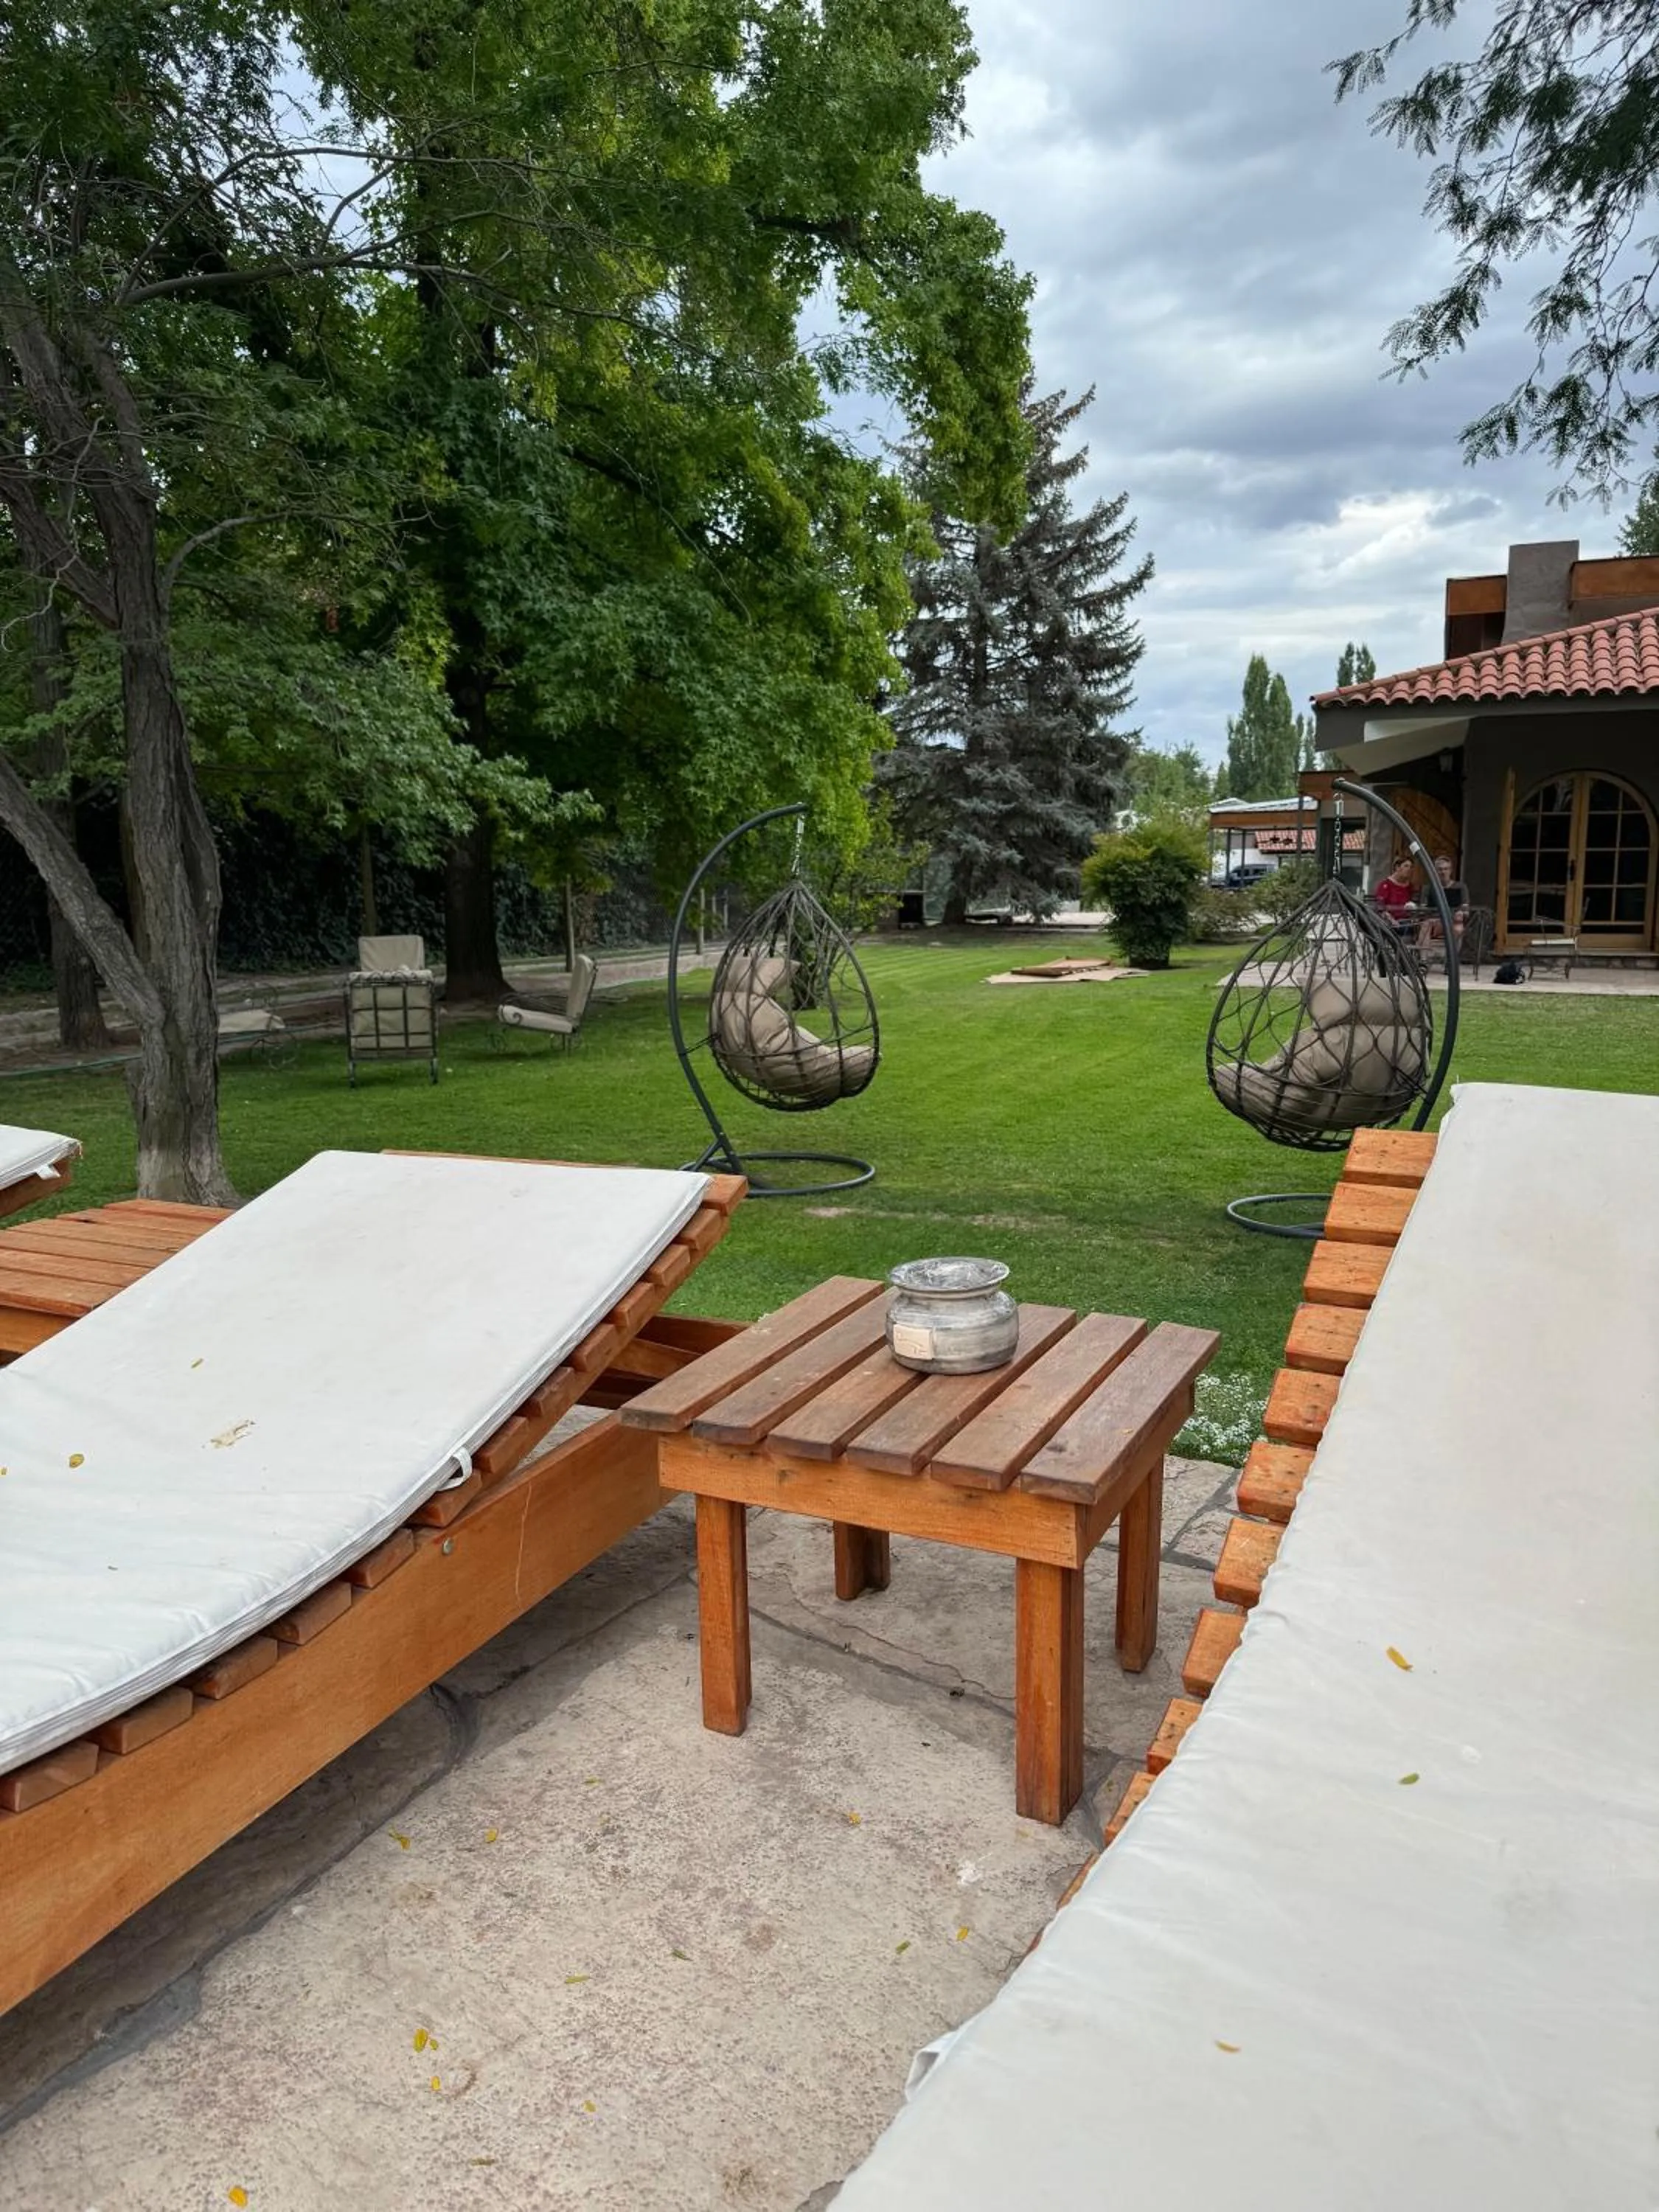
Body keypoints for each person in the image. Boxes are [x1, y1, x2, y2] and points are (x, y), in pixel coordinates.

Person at [1416, 855, 1470, 954]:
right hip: (1434, 922)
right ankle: (1423, 961)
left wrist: (1461, 914)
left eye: (1446, 869)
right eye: (1440, 870)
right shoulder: (1428, 888)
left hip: (1452, 921)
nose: (1443, 872)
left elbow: (1466, 911)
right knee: (1425, 925)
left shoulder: (1461, 887)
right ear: (1435, 871)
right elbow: (1423, 910)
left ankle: (1451, 961)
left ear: (1451, 870)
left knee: (1458, 928)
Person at [1373, 855, 1417, 932]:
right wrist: (1391, 920)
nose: (1409, 869)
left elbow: (1412, 904)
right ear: (1397, 867)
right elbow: (1381, 908)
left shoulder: (1410, 886)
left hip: (1407, 921)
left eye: (1411, 867)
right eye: (1406, 866)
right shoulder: (1385, 885)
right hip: (1390, 923)